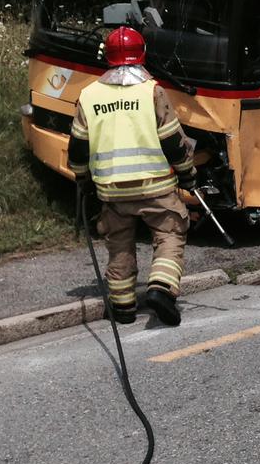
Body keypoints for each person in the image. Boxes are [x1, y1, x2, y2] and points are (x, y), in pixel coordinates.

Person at [68, 27, 197, 326]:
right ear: (142, 54)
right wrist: (188, 174)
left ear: (107, 57)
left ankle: (123, 306)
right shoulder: (152, 91)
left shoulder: (88, 96)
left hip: (112, 192)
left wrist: (83, 179)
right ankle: (162, 290)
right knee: (170, 232)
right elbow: (172, 141)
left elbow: (78, 147)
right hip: (156, 187)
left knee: (119, 243)